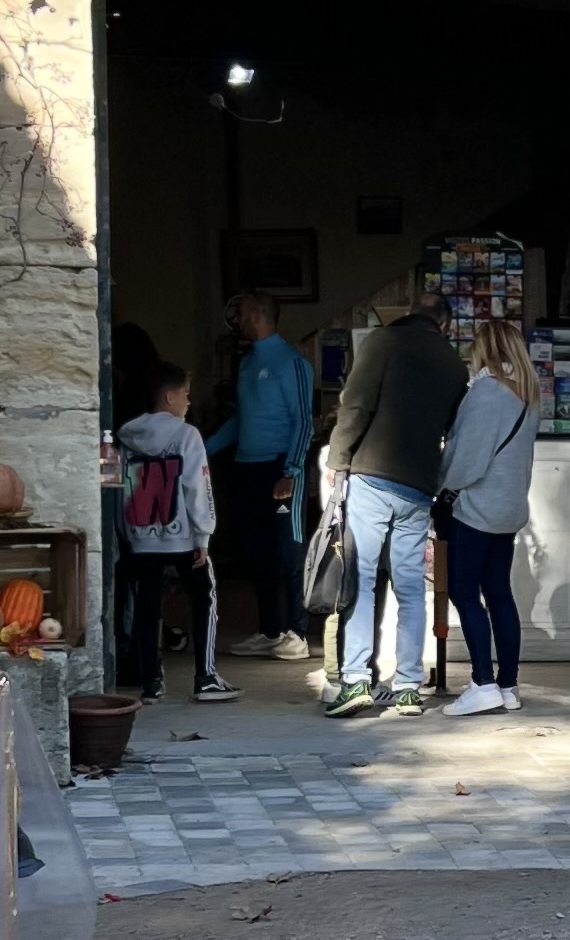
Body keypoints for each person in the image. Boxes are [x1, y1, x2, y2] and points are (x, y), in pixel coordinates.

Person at [321, 280, 466, 716]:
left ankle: (355, 682)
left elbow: (356, 405)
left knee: (361, 579)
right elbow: (452, 430)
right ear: (444, 324)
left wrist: (338, 458)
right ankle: (407, 687)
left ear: (411, 312)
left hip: (371, 476)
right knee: (410, 588)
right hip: (419, 485)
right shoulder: (454, 365)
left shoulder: (382, 342)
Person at [437, 313, 538, 718]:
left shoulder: (486, 392)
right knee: (499, 594)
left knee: (464, 592)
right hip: (509, 508)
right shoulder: (527, 393)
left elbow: (465, 460)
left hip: (477, 508)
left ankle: (482, 683)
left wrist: (441, 483)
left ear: (484, 349)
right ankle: (508, 685)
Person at [207, 289, 315, 663]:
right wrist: (203, 448)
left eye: (240, 313)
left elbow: (304, 421)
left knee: (288, 551)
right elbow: (243, 418)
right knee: (258, 553)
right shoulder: (249, 362)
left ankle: (297, 633)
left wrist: (291, 471)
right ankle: (271, 631)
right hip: (247, 467)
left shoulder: (292, 362)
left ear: (257, 314)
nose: (236, 320)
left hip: (281, 467)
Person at [110, 361, 228, 699]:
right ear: (169, 397)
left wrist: (125, 533)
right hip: (182, 537)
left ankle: (150, 682)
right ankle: (205, 677)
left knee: (147, 607)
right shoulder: (187, 434)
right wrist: (203, 534)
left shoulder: (126, 438)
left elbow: (118, 489)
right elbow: (197, 486)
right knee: (204, 598)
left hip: (141, 538)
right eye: (186, 395)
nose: (189, 402)